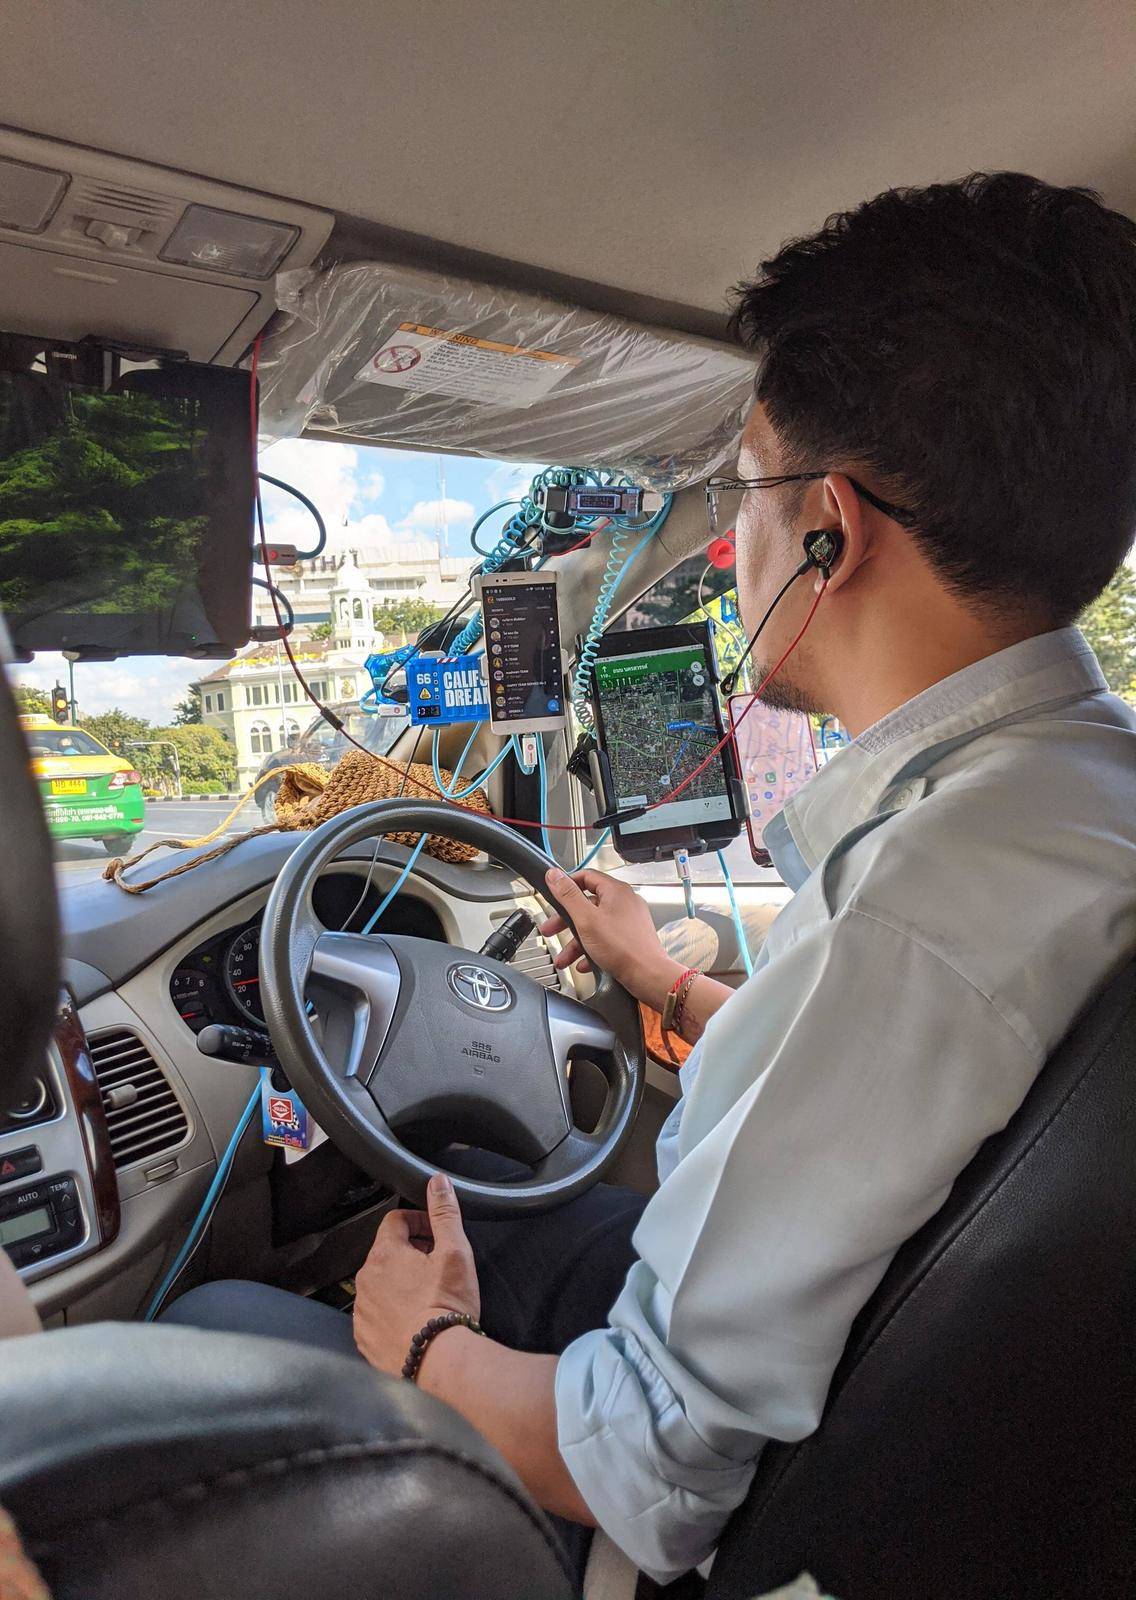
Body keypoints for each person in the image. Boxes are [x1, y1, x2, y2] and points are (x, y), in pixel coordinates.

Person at [165, 172, 1136, 1584]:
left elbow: (649, 1463)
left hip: (720, 1532)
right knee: (500, 1183)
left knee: (219, 1330)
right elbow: (921, 1097)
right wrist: (670, 985)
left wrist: (424, 1347)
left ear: (830, 531)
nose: (733, 542)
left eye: (744, 488)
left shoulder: (917, 908)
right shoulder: (1077, 805)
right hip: (963, 1439)